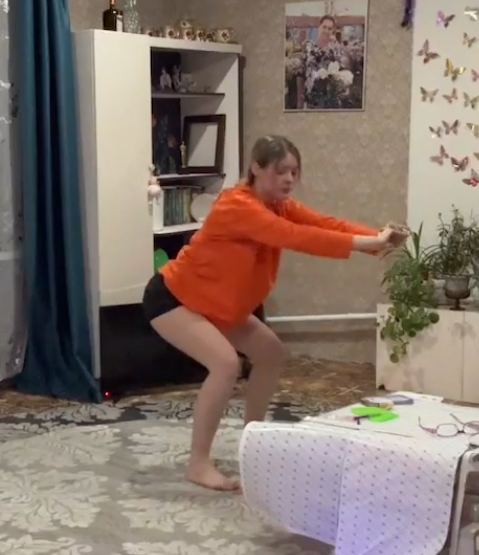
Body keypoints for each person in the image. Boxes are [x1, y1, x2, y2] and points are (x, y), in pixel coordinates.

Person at [142, 134, 406, 491]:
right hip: (174, 297)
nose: (289, 179)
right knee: (225, 364)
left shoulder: (279, 205)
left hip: (215, 302)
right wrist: (368, 242)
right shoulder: (237, 205)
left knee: (271, 353)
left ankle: (254, 444)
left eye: (294, 172)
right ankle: (198, 464)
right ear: (256, 167)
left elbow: (323, 224)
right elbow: (296, 237)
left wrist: (377, 237)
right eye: (281, 171)